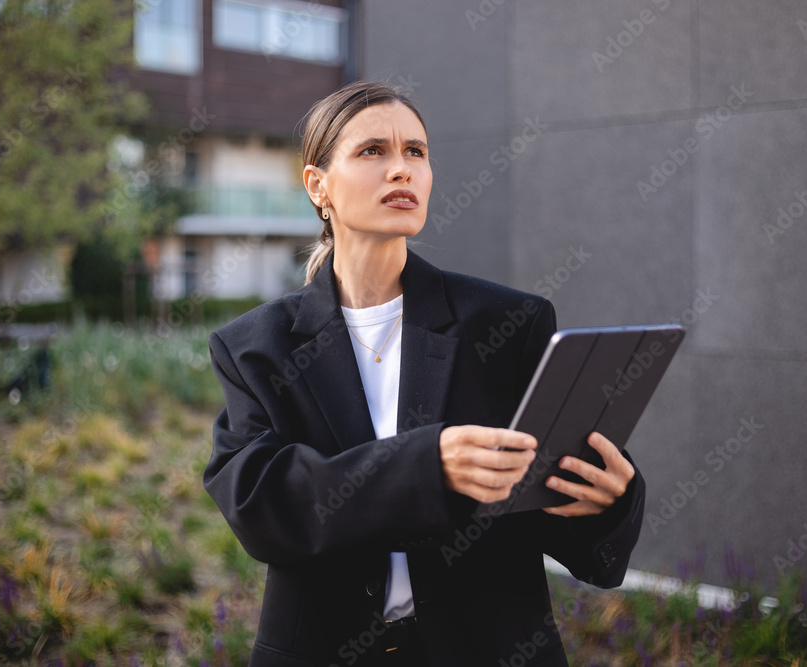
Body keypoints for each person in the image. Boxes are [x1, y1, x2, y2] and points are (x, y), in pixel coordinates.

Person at [204, 80, 646, 667]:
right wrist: (428, 466)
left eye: (416, 151)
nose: (401, 170)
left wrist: (608, 500)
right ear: (317, 185)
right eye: (372, 152)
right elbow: (264, 508)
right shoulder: (255, 347)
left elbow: (544, 497)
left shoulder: (509, 323)